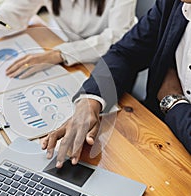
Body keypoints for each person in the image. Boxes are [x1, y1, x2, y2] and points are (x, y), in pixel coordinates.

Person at [42, 0, 191, 168]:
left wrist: (172, 101)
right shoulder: (173, 4)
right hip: (157, 135)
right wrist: (91, 100)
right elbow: (125, 53)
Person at [0, 0, 137, 78]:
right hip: (74, 62)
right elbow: (16, 12)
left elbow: (117, 36)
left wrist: (59, 54)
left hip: (115, 60)